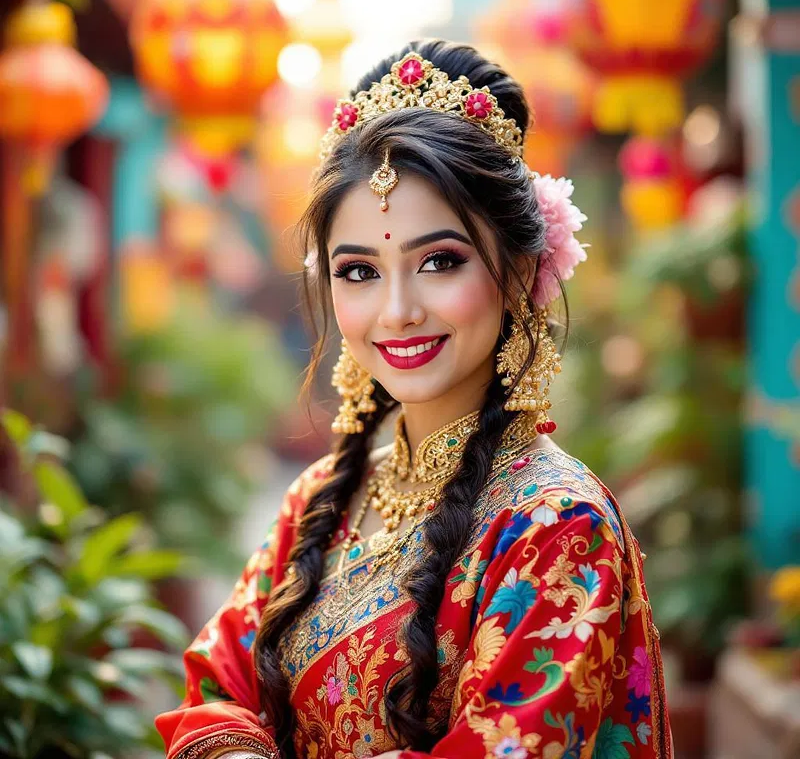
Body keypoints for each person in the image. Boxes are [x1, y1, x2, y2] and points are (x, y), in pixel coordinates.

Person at [156, 39, 671, 759]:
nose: (396, 311)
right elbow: (219, 686)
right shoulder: (324, 498)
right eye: (359, 271)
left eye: (439, 262)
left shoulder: (558, 526)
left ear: (521, 270)